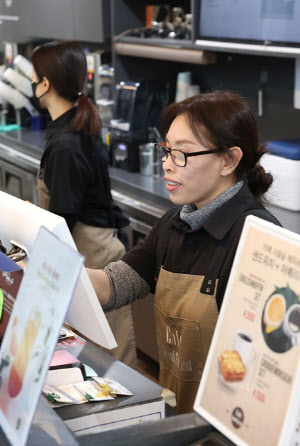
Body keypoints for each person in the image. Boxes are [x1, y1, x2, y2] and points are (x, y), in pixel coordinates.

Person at [87, 90, 281, 414]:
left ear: (229, 160)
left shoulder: (258, 242)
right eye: (166, 151)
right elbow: (115, 284)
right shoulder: (176, 222)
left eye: (183, 154)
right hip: (179, 415)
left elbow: (266, 368)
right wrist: (49, 269)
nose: (167, 165)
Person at [30, 41, 136, 368]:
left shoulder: (66, 144)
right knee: (93, 350)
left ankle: (133, 419)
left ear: (45, 84)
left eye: (34, 78)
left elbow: (63, 217)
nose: (32, 85)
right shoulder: (74, 123)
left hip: (93, 252)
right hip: (89, 246)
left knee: (112, 356)